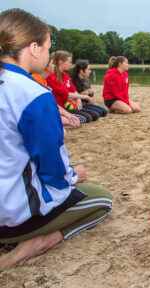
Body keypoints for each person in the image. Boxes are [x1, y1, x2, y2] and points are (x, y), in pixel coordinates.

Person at [0, 8, 113, 270]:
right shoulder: (31, 93)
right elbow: (50, 163)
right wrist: (73, 176)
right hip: (12, 216)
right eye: (49, 47)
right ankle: (41, 241)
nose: (50, 55)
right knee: (101, 200)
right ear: (34, 47)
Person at [46, 51, 102, 123]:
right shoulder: (52, 77)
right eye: (69, 62)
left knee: (99, 113)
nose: (71, 64)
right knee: (90, 117)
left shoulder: (65, 76)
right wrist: (85, 97)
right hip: (62, 107)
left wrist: (78, 98)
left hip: (69, 105)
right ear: (60, 62)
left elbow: (73, 90)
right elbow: (67, 94)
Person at [32, 58, 81, 128]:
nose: (54, 66)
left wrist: (68, 115)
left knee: (71, 121)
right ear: (45, 66)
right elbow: (45, 105)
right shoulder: (36, 79)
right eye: (52, 64)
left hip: (52, 110)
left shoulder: (43, 80)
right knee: (69, 122)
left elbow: (51, 103)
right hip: (41, 115)